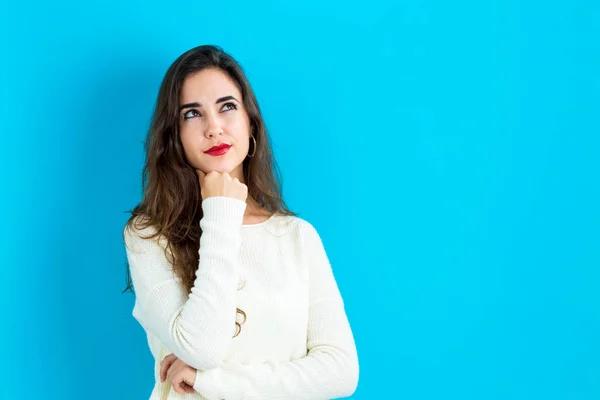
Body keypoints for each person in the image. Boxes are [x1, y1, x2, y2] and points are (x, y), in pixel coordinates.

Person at [122, 44, 359, 400]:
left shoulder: (297, 236)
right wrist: (219, 210)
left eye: (227, 107)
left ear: (251, 123)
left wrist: (212, 382)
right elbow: (202, 348)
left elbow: (340, 372)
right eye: (192, 114)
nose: (214, 128)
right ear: (175, 137)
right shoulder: (150, 235)